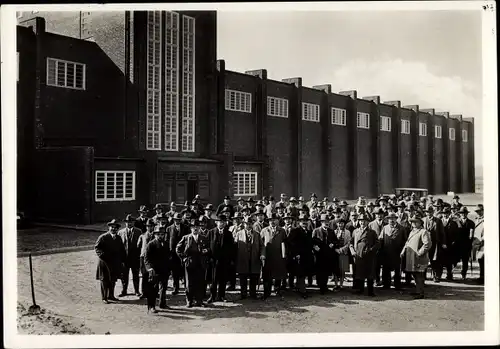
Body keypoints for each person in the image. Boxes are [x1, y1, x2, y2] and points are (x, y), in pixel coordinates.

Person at [176, 219, 211, 307]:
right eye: (193, 227)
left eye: (197, 227)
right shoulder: (186, 238)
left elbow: (209, 248)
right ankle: (189, 301)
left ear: (199, 228)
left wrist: (206, 251)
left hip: (201, 263)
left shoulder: (204, 237)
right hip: (190, 263)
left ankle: (199, 301)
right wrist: (183, 258)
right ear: (191, 228)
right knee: (189, 283)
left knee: (200, 282)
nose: (195, 229)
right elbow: (178, 249)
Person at [95, 219, 126, 304]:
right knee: (104, 280)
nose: (113, 229)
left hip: (114, 263)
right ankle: (104, 297)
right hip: (104, 263)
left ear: (117, 229)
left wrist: (122, 260)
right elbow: (97, 248)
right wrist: (103, 256)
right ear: (109, 228)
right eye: (112, 227)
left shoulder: (118, 238)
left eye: (115, 228)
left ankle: (111, 296)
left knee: (113, 279)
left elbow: (122, 250)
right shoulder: (103, 237)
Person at [234, 215, 265, 300]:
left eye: (250, 224)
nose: (248, 225)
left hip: (254, 259)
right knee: (243, 277)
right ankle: (243, 294)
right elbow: (235, 246)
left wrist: (262, 255)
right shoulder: (239, 234)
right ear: (244, 224)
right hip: (242, 259)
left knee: (253, 277)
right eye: (247, 224)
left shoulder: (257, 234)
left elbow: (262, 246)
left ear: (252, 224)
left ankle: (253, 294)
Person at [400, 214, 432, 299]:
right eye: (412, 222)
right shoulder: (412, 231)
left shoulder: (423, 231)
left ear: (420, 223)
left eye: (415, 222)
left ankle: (420, 293)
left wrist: (419, 253)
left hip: (419, 258)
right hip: (411, 257)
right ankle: (417, 291)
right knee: (415, 274)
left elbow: (427, 244)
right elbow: (407, 242)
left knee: (419, 275)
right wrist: (403, 251)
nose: (413, 223)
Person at [207, 214, 236, 303]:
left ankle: (221, 296)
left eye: (223, 222)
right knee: (213, 279)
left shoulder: (228, 233)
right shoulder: (211, 232)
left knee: (223, 279)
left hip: (224, 260)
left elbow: (231, 248)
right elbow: (207, 246)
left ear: (225, 223)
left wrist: (230, 260)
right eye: (220, 222)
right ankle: (212, 296)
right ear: (216, 223)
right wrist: (209, 258)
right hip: (214, 260)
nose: (221, 224)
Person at [350, 214, 380, 296]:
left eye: (364, 221)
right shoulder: (355, 231)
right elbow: (351, 243)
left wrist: (371, 250)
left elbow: (377, 243)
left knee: (369, 273)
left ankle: (370, 291)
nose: (362, 222)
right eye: (360, 221)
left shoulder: (371, 232)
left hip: (369, 256)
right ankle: (360, 289)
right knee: (360, 273)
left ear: (367, 222)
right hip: (358, 255)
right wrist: (353, 251)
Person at [144, 226, 171, 313]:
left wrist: (169, 268)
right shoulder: (150, 244)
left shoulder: (166, 244)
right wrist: (150, 269)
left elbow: (168, 257)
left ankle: (162, 304)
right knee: (153, 289)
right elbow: (146, 258)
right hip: (154, 270)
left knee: (163, 287)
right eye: (158, 234)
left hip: (164, 270)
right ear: (155, 235)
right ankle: (151, 306)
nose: (160, 236)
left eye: (162, 234)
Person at [260, 213, 288, 300]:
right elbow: (261, 244)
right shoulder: (264, 230)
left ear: (278, 221)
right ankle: (266, 292)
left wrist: (284, 255)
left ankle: (277, 289)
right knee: (266, 275)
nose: (272, 222)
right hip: (267, 256)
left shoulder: (282, 231)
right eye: (270, 220)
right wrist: (262, 254)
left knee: (278, 274)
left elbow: (284, 243)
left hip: (278, 255)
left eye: (274, 220)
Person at [379, 212, 407, 290]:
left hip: (397, 252)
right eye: (389, 219)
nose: (391, 220)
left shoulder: (401, 228)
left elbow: (405, 241)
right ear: (387, 220)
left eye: (393, 219)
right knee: (386, 268)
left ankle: (397, 284)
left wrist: (403, 251)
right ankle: (386, 284)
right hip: (386, 252)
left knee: (397, 269)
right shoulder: (385, 228)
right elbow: (380, 238)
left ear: (396, 219)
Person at [118, 214, 143, 297]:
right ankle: (124, 290)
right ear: (125, 223)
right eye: (127, 222)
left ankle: (137, 291)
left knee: (135, 275)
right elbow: (119, 246)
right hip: (124, 258)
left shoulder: (138, 231)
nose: (129, 224)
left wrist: (139, 257)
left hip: (135, 258)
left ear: (134, 223)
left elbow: (140, 245)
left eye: (131, 222)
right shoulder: (121, 232)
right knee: (124, 275)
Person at [312, 214, 337, 294]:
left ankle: (324, 286)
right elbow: (311, 241)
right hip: (319, 255)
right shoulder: (316, 230)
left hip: (328, 255)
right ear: (321, 222)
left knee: (326, 271)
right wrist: (314, 247)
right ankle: (321, 287)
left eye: (327, 221)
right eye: (324, 222)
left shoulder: (331, 231)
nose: (326, 223)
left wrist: (333, 244)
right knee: (320, 271)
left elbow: (335, 241)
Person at [423, 206, 446, 282]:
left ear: (433, 212)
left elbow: (442, 233)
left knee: (435, 260)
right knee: (424, 259)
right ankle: (423, 276)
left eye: (430, 212)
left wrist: (443, 243)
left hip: (435, 243)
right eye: (427, 212)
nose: (429, 213)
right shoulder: (423, 220)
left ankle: (435, 276)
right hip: (425, 243)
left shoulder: (438, 221)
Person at [168, 213, 189, 295]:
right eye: (176, 220)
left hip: (183, 253)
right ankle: (175, 288)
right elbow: (167, 241)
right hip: (173, 254)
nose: (178, 221)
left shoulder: (186, 228)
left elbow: (188, 241)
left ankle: (186, 288)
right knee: (174, 272)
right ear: (174, 220)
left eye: (179, 220)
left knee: (184, 271)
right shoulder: (169, 229)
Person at [454, 206, 475, 280]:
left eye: (465, 213)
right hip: (457, 245)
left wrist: (470, 242)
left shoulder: (471, 223)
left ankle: (464, 274)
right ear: (460, 214)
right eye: (462, 213)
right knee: (454, 259)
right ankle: (450, 273)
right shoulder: (456, 222)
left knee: (465, 260)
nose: (463, 214)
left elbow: (471, 234)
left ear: (467, 214)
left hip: (466, 245)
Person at [137, 219, 156, 299]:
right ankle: (144, 292)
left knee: (153, 276)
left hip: (153, 258)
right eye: (148, 226)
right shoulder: (142, 236)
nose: (150, 228)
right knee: (144, 276)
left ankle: (154, 292)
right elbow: (138, 246)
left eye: (151, 226)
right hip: (144, 258)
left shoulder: (156, 235)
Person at [441, 207, 460, 281]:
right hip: (442, 244)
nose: (445, 215)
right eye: (444, 214)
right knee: (441, 260)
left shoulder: (453, 223)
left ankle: (449, 274)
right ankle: (438, 275)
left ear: (449, 214)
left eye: (447, 213)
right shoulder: (440, 222)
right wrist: (442, 243)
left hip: (450, 245)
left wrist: (453, 242)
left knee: (449, 260)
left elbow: (456, 234)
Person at [368, 208, 386, 286]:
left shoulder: (386, 223)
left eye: (381, 215)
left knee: (385, 264)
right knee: (375, 264)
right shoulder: (371, 224)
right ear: (375, 215)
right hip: (375, 247)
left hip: (385, 247)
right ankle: (376, 279)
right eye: (378, 215)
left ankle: (385, 281)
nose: (379, 216)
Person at [333, 218, 351, 290]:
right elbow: (331, 241)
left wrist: (342, 249)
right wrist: (335, 249)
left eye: (342, 223)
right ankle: (336, 284)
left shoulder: (347, 232)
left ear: (344, 224)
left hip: (344, 252)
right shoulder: (334, 232)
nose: (340, 225)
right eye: (339, 223)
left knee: (342, 269)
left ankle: (341, 284)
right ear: (337, 224)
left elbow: (349, 243)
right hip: (335, 252)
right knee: (335, 269)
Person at [472, 205, 484, 284]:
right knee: (480, 260)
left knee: (482, 259)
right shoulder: (476, 219)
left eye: (479, 211)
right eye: (476, 211)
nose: (478, 213)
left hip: (484, 242)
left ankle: (483, 277)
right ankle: (481, 276)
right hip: (477, 242)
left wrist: (483, 239)